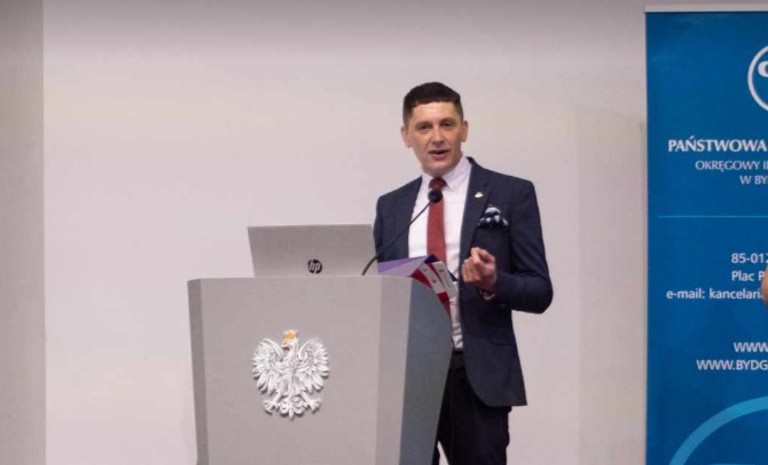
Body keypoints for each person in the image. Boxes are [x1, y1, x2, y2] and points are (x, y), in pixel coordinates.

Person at [373, 82, 553, 465]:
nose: (437, 137)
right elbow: (381, 289)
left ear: (464, 129)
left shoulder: (510, 193)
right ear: (406, 136)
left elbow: (540, 291)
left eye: (447, 124)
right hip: (409, 377)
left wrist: (494, 282)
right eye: (424, 127)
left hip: (475, 373)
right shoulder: (391, 206)